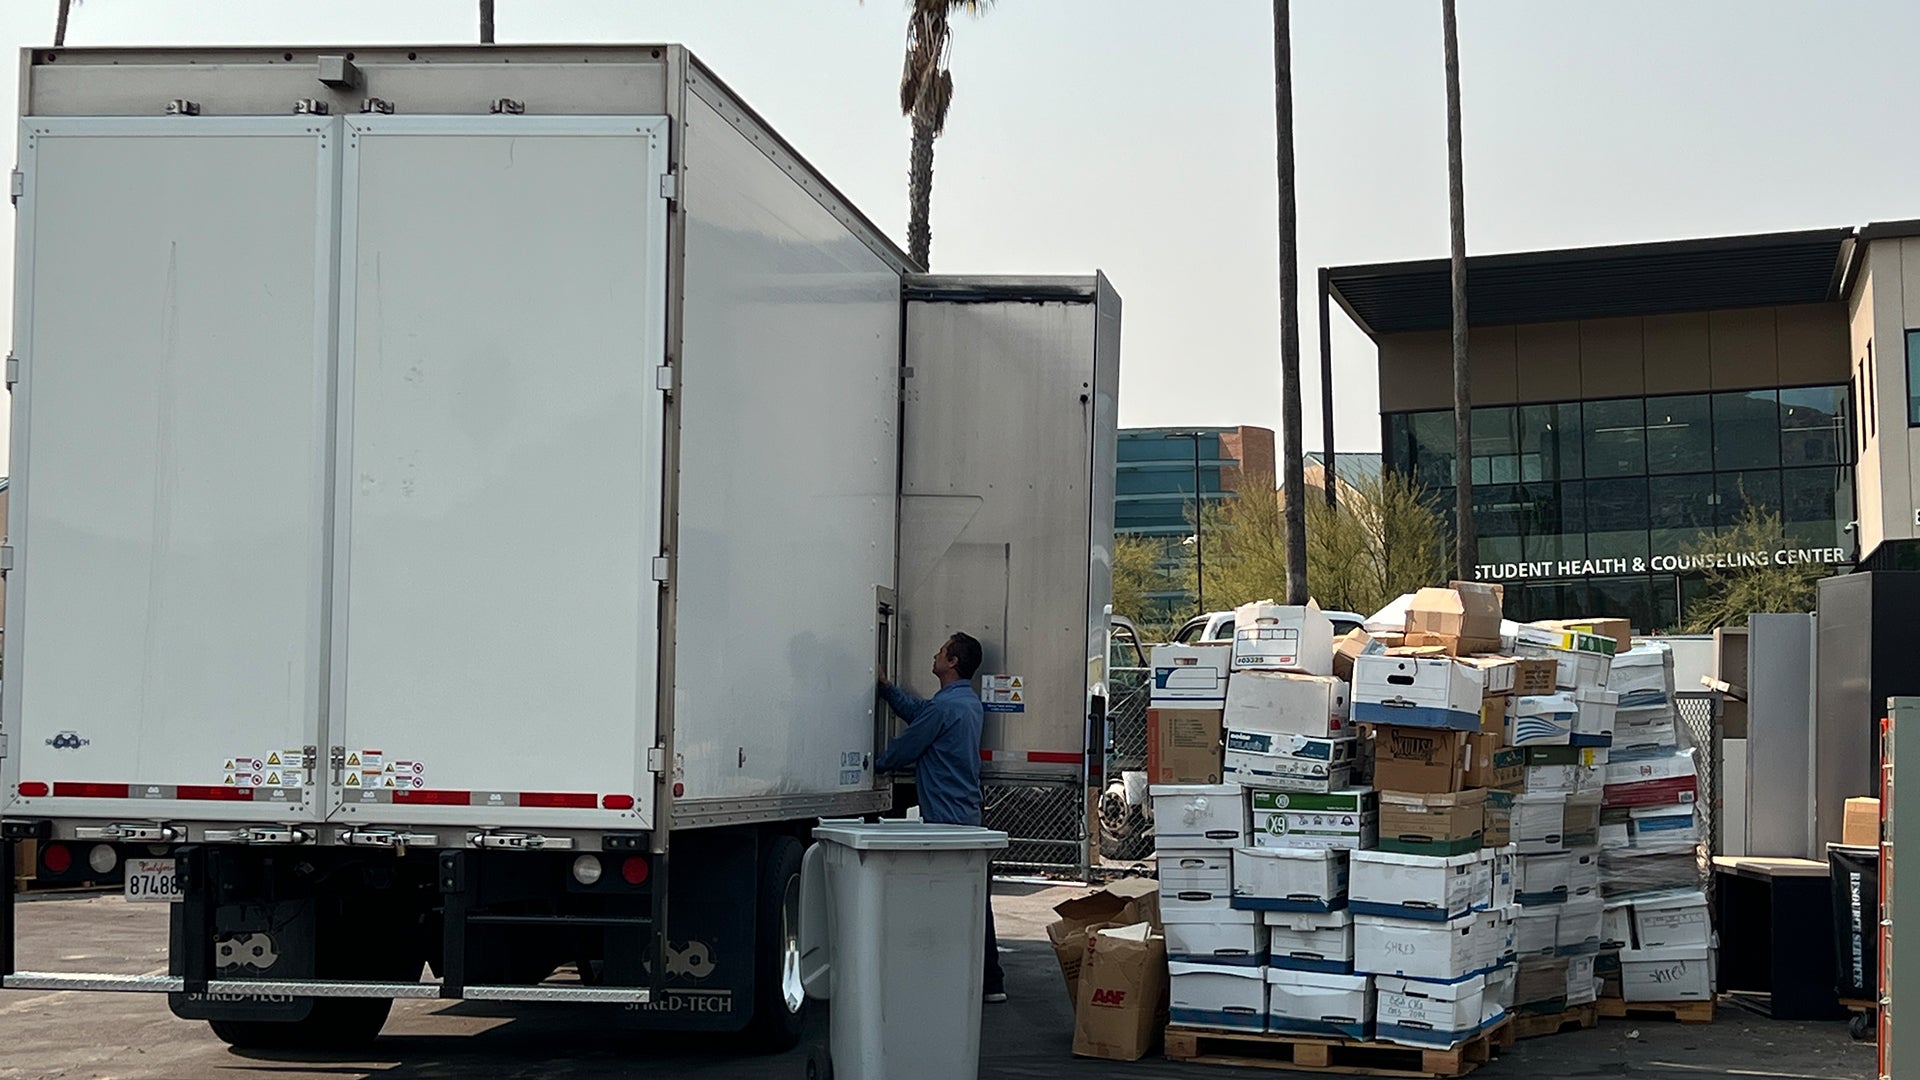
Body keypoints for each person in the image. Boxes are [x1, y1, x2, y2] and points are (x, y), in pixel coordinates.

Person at [877, 631, 1007, 1003]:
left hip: (946, 820)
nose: (934, 654)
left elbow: (909, 744)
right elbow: (920, 714)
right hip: (966, 814)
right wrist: (888, 689)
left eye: (940, 651)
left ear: (952, 662)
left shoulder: (945, 708)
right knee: (974, 902)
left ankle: (952, 977)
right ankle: (990, 980)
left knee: (943, 900)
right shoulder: (964, 703)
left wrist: (878, 764)